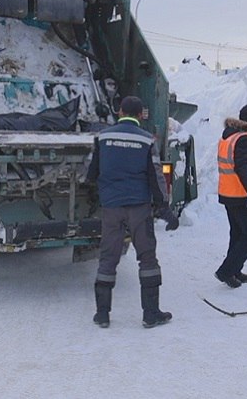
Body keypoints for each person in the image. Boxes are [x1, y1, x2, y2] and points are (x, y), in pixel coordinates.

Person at [87, 95, 179, 328]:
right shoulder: (147, 140)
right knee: (147, 258)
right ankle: (150, 314)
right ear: (140, 115)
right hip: (139, 208)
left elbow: (91, 173)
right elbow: (156, 176)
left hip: (112, 207)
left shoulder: (102, 137)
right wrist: (164, 208)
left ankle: (102, 314)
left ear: (120, 112)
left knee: (108, 257)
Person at [215, 103, 247, 288]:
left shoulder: (231, 135)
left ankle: (234, 271)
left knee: (238, 234)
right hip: (241, 195)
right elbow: (242, 166)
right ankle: (226, 271)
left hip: (229, 192)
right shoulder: (245, 139)